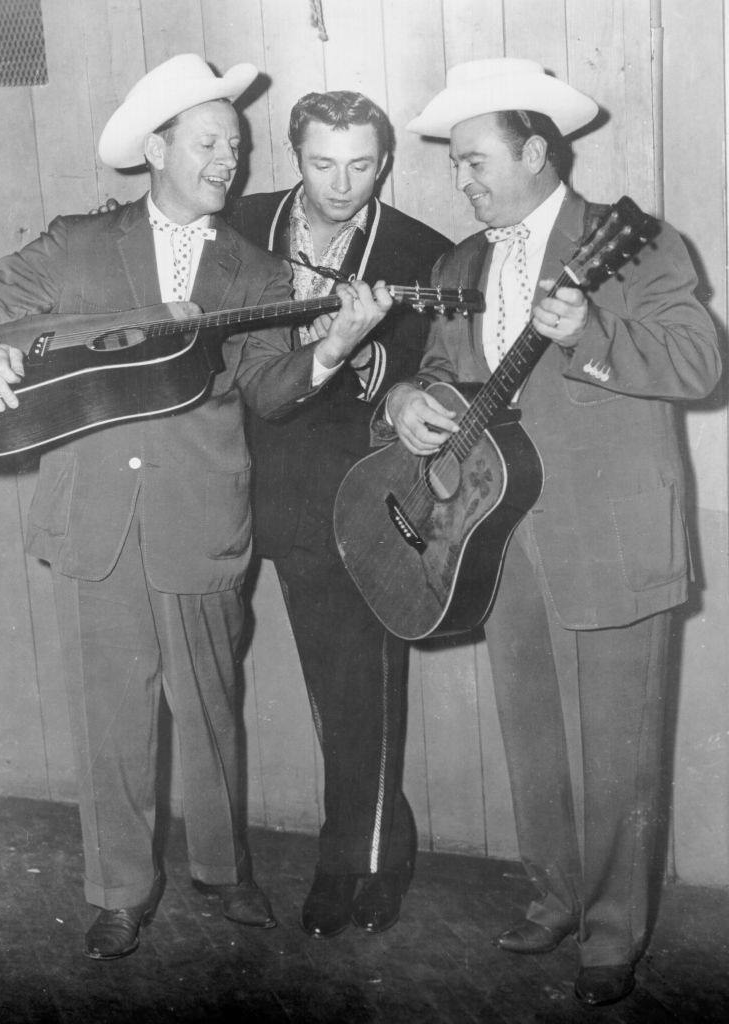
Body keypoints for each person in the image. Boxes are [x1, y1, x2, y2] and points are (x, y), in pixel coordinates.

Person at [0, 54, 392, 961]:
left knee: (211, 710)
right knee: (111, 720)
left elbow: (269, 391)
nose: (230, 160)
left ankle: (223, 872)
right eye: (211, 142)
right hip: (94, 517)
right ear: (156, 148)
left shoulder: (255, 275)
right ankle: (118, 891)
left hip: (199, 516)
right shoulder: (75, 244)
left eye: (236, 144)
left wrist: (333, 344)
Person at [379, 59, 720, 1005]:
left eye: (476, 160)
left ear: (534, 151)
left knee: (616, 751)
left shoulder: (635, 244)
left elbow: (698, 364)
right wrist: (405, 402)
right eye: (455, 165)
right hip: (493, 541)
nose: (463, 180)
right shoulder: (458, 266)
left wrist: (590, 336)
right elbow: (430, 379)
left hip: (610, 536)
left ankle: (611, 939)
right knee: (533, 735)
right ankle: (555, 899)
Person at [226, 91, 451, 937]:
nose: (342, 182)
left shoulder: (421, 251)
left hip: (342, 487)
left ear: (384, 162)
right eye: (323, 162)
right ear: (294, 155)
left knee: (354, 690)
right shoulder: (239, 222)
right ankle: (219, 869)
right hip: (227, 478)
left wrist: (374, 366)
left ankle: (358, 861)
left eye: (361, 164)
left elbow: (428, 371)